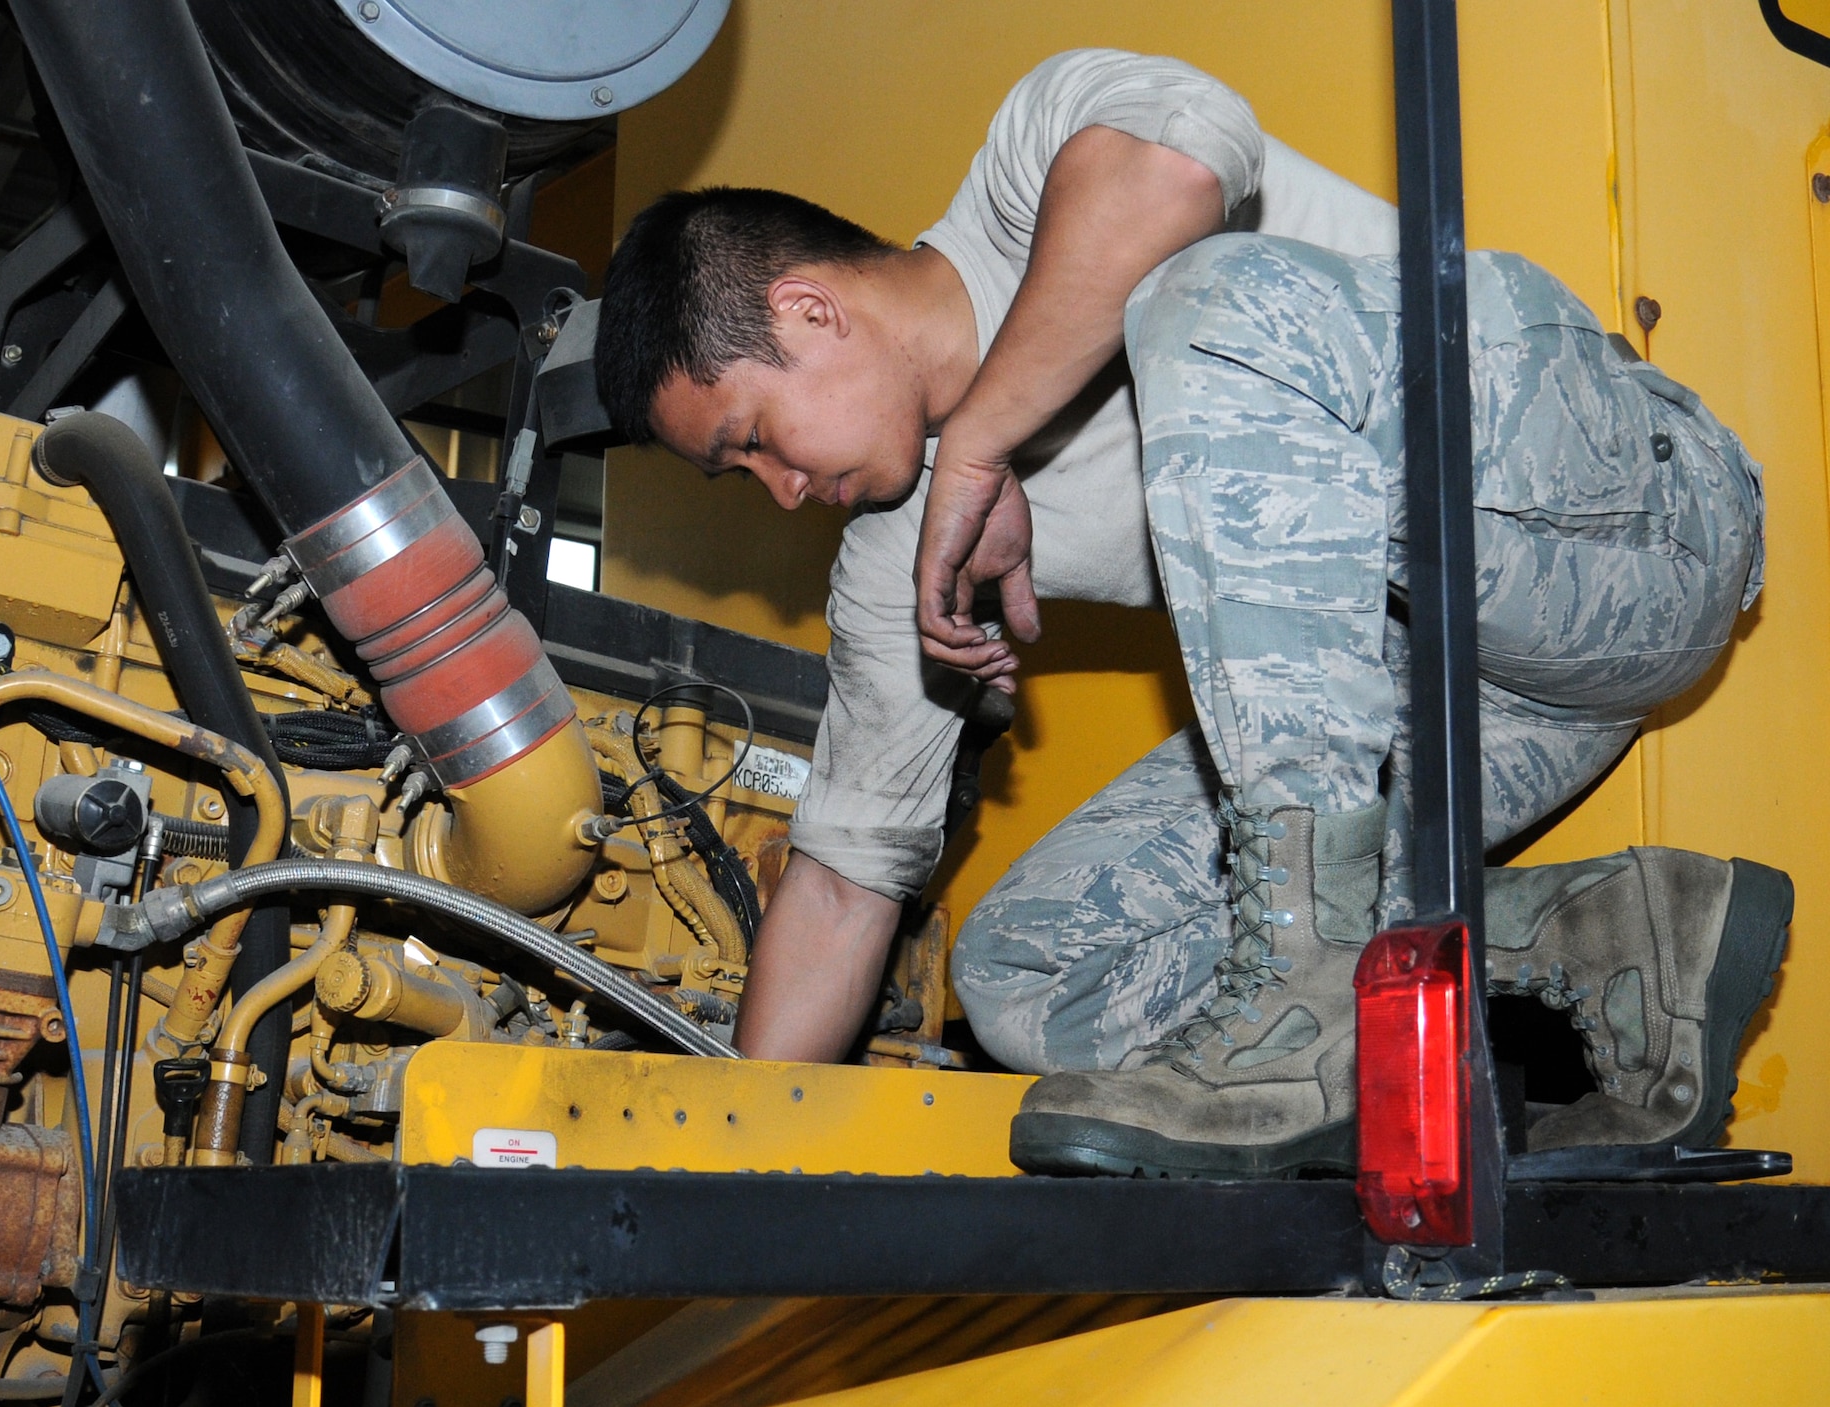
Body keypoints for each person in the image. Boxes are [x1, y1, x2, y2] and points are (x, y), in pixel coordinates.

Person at [594, 49, 1790, 1178]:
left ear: (807, 312)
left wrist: (977, 442)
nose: (781, 493)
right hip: (1473, 704)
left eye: (751, 441)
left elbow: (1180, 170)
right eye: (739, 476)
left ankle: (1299, 1007)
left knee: (1197, 300)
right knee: (1020, 974)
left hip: (1629, 525)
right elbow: (845, 885)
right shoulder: (892, 563)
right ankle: (1607, 932)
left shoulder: (1038, 164)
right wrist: (723, 1153)